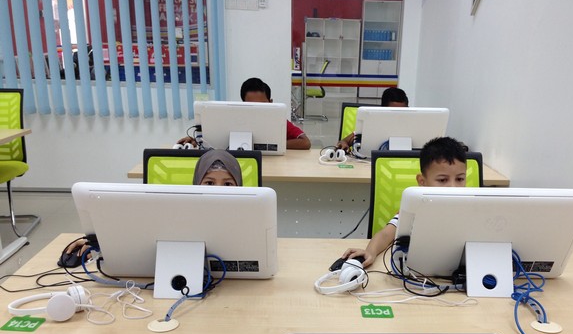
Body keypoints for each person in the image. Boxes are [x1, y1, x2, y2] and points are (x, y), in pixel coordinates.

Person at [60, 150, 243, 268]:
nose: (219, 189)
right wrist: (101, 242)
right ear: (197, 183)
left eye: (228, 184)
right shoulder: (178, 212)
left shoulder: (249, 218)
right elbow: (143, 234)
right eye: (209, 183)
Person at [341, 136, 468, 268]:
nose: (453, 187)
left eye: (460, 179)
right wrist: (370, 252)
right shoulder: (414, 210)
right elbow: (385, 234)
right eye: (442, 180)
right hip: (418, 272)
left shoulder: (472, 209)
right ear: (422, 182)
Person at [177, 77, 311, 150]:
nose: (258, 110)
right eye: (252, 106)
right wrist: (197, 140)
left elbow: (305, 143)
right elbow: (216, 138)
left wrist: (273, 144)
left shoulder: (278, 120)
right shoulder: (235, 120)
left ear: (271, 102)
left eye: (263, 105)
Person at [335, 87, 409, 151]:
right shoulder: (373, 124)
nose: (398, 116)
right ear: (383, 110)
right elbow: (343, 142)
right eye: (394, 112)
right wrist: (343, 145)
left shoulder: (412, 125)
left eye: (403, 112)